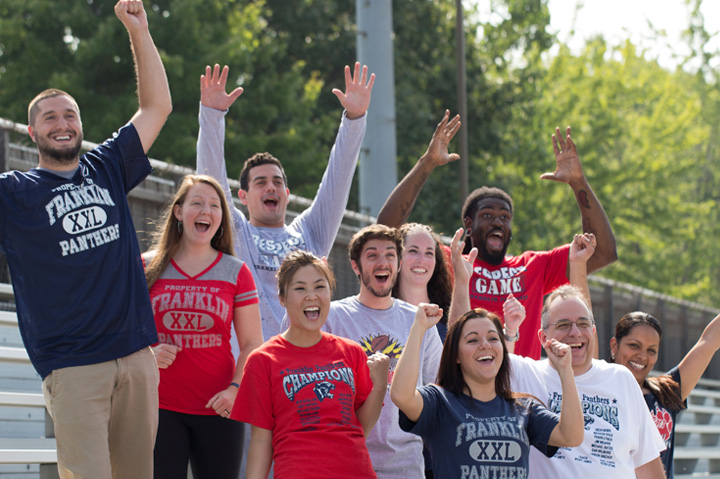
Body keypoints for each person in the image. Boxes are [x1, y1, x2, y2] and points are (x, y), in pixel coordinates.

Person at [0, 1, 172, 477]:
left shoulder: (108, 166)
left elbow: (157, 106)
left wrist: (138, 29)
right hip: (74, 369)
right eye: (50, 117)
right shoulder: (15, 193)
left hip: (137, 357)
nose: (61, 123)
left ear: (80, 123)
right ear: (33, 132)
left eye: (69, 115)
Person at [377, 118, 617, 360]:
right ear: (468, 225)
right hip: (465, 383)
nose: (498, 222)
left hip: (521, 389)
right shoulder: (451, 260)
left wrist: (578, 181)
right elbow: (384, 234)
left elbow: (602, 251)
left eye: (505, 217)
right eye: (488, 215)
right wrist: (427, 163)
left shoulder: (533, 265)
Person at [447, 232, 666, 478]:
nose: (575, 333)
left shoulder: (621, 378)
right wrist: (463, 281)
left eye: (583, 325)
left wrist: (578, 264)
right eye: (563, 325)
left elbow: (648, 465)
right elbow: (462, 353)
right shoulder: (526, 375)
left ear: (593, 331)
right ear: (542, 338)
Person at [197, 62, 374, 342]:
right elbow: (210, 181)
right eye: (261, 183)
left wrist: (354, 119)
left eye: (278, 182)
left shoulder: (308, 233)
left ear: (287, 193)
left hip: (302, 367)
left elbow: (337, 182)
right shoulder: (236, 233)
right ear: (242, 197)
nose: (271, 187)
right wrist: (211, 116)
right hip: (250, 366)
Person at [143, 175, 263, 479]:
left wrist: (235, 390)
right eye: (197, 203)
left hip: (220, 408)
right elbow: (121, 330)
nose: (206, 210)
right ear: (178, 212)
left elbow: (251, 344)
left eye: (215, 205)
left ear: (222, 218)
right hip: (159, 407)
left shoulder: (236, 272)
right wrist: (147, 354)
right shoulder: (145, 266)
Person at [232, 251, 390, 479]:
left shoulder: (351, 352)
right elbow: (260, 440)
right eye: (300, 288)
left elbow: (361, 428)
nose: (311, 296)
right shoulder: (262, 360)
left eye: (319, 287)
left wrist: (379, 387)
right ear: (282, 298)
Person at [390, 303, 584, 478]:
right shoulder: (439, 402)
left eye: (493, 338)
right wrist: (418, 329)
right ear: (456, 355)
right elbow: (401, 395)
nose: (485, 345)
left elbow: (571, 436)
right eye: (473, 340)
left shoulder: (524, 408)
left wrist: (565, 371)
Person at [320, 224, 444, 479]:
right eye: (372, 255)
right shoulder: (332, 317)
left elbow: (439, 390)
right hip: (346, 463)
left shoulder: (419, 320)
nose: (382, 262)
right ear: (356, 266)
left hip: (406, 466)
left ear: (398, 264)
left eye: (389, 254)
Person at [610, 311, 720, 478]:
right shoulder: (597, 391)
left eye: (651, 350)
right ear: (614, 346)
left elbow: (709, 342)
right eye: (634, 345)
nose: (642, 356)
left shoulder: (666, 391)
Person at [392, 223, 452, 341]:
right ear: (397, 257)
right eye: (413, 251)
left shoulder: (448, 317)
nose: (422, 260)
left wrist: (463, 280)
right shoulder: (380, 314)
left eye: (429, 253)